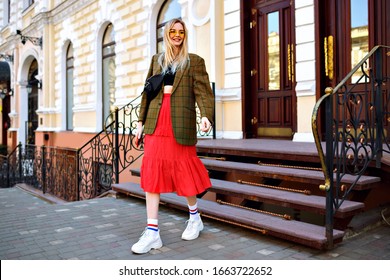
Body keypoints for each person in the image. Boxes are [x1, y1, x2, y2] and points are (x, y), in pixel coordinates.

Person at [131, 18, 214, 254]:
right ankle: (152, 232)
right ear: (166, 34)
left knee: (184, 170)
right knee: (153, 173)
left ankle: (194, 216)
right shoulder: (156, 61)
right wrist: (139, 122)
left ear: (185, 35)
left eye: (181, 32)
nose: (177, 35)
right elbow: (147, 94)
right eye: (173, 31)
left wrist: (206, 115)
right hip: (155, 123)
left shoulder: (194, 61)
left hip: (180, 123)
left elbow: (203, 92)